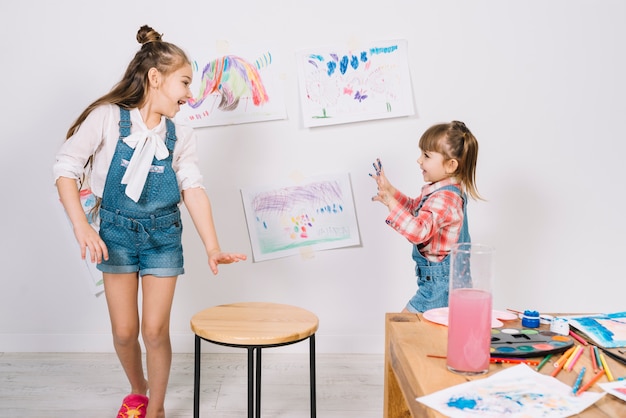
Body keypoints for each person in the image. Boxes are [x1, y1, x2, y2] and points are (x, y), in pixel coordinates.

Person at [53, 25, 247, 418]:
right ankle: (138, 389)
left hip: (163, 236)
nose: (190, 95)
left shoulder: (181, 134)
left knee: (154, 331)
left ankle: (155, 409)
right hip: (115, 234)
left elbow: (192, 187)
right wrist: (82, 226)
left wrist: (212, 246)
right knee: (125, 332)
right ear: (156, 78)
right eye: (185, 82)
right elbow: (65, 168)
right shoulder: (107, 118)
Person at [370, 120, 481, 313]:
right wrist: (391, 192)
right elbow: (416, 210)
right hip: (441, 286)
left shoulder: (446, 198)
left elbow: (418, 231)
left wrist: (390, 203)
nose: (419, 160)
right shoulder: (444, 192)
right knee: (420, 337)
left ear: (450, 165)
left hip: (440, 290)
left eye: (427, 156)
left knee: (402, 332)